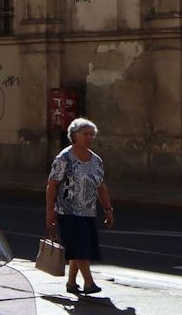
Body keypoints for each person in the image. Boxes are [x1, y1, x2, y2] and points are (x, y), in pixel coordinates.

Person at [45, 116, 114, 298]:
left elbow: (101, 186)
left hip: (88, 210)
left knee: (79, 246)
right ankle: (89, 283)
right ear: (74, 135)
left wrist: (108, 209)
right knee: (80, 246)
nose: (89, 137)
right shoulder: (64, 158)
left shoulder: (96, 160)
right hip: (67, 210)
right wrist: (49, 212)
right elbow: (52, 185)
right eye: (85, 134)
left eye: (92, 134)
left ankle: (71, 282)